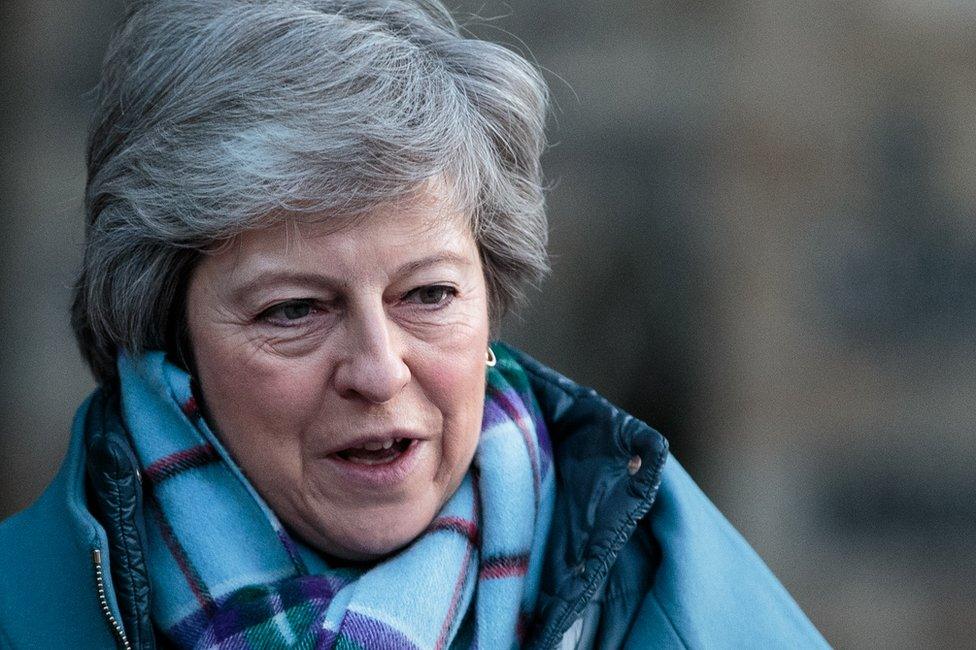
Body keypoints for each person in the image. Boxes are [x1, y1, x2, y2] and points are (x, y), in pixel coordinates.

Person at [0, 1, 829, 648]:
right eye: (294, 310)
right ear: (171, 338)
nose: (380, 370)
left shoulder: (681, 602)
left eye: (427, 296)